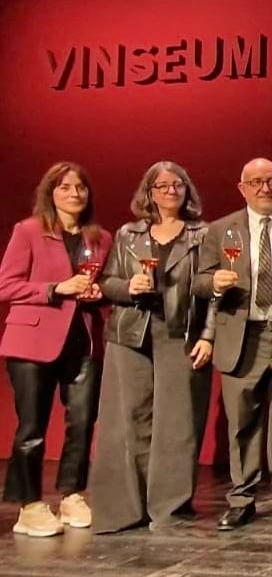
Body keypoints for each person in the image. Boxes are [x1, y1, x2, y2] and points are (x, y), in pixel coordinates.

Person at [89, 162, 215, 533]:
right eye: (162, 186)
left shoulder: (203, 234)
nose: (170, 191)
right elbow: (108, 283)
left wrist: (208, 335)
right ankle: (125, 510)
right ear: (149, 192)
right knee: (128, 421)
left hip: (180, 332)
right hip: (130, 332)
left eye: (178, 185)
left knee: (177, 424)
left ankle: (170, 510)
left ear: (187, 191)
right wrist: (127, 288)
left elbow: (213, 295)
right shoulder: (128, 234)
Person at [192, 158, 272, 530]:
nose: (265, 188)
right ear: (241, 187)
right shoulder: (220, 229)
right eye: (256, 182)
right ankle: (242, 498)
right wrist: (214, 283)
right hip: (242, 336)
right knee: (242, 423)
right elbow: (198, 282)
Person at [0, 162, 112, 536]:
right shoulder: (30, 231)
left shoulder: (102, 238)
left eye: (80, 187)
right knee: (31, 428)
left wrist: (97, 294)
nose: (74, 193)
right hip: (32, 342)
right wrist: (54, 289)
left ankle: (71, 495)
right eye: (65, 187)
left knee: (81, 423)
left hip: (83, 341)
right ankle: (30, 506)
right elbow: (6, 286)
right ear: (51, 192)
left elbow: (101, 287)